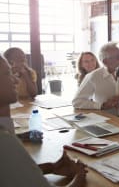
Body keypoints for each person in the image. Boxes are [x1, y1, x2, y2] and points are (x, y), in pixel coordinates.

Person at [0, 55, 87, 187]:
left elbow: (10, 174)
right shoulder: (5, 141)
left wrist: (51, 167)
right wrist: (79, 175)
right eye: (7, 74)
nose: (16, 81)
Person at [72, 43, 119, 116]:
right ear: (105, 61)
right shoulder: (93, 77)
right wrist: (102, 105)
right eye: (118, 57)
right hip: (108, 119)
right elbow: (77, 102)